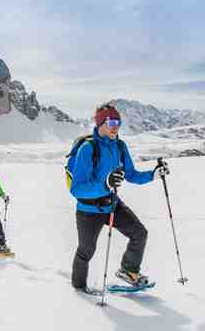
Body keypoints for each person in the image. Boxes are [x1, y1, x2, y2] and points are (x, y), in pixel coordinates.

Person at [69, 102, 170, 293]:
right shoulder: (88, 149)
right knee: (86, 251)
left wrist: (153, 175)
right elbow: (77, 188)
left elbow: (131, 174)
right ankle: (79, 289)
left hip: (111, 204)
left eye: (118, 121)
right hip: (88, 210)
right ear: (100, 123)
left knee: (139, 233)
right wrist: (104, 184)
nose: (116, 125)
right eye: (111, 121)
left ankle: (129, 270)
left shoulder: (120, 146)